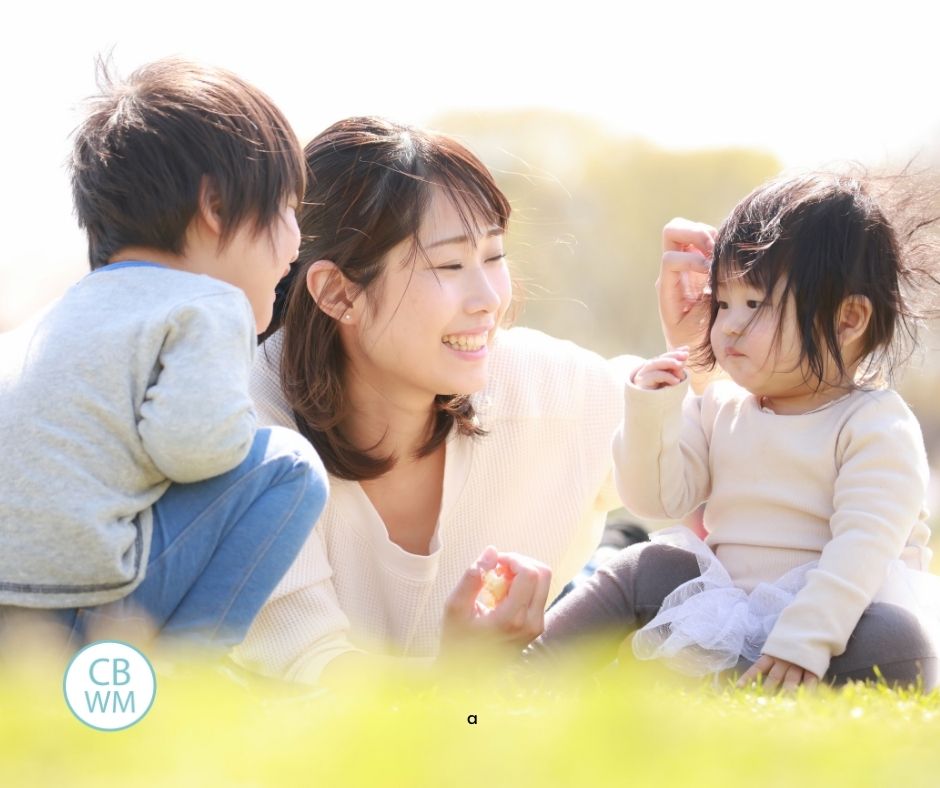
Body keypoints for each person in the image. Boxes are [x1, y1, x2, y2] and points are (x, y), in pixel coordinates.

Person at [231, 116, 708, 686]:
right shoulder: (249, 435)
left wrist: (705, 353)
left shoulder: (539, 386)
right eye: (450, 265)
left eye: (495, 257)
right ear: (338, 292)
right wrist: (458, 676)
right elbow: (316, 675)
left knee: (649, 569)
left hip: (581, 586)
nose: (489, 300)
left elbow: (725, 442)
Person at [528, 173, 940, 690]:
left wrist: (803, 640)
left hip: (838, 628)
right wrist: (652, 410)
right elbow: (656, 499)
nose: (727, 326)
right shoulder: (722, 403)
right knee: (648, 562)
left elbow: (862, 547)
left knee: (897, 637)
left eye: (755, 305)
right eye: (723, 303)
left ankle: (761, 678)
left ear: (847, 319)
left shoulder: (873, 423)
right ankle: (526, 673)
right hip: (730, 614)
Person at [0, 58, 328, 651]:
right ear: (217, 207)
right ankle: (177, 681)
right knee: (288, 464)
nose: (296, 241)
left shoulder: (59, 316)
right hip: (81, 603)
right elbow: (195, 448)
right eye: (286, 209)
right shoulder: (206, 304)